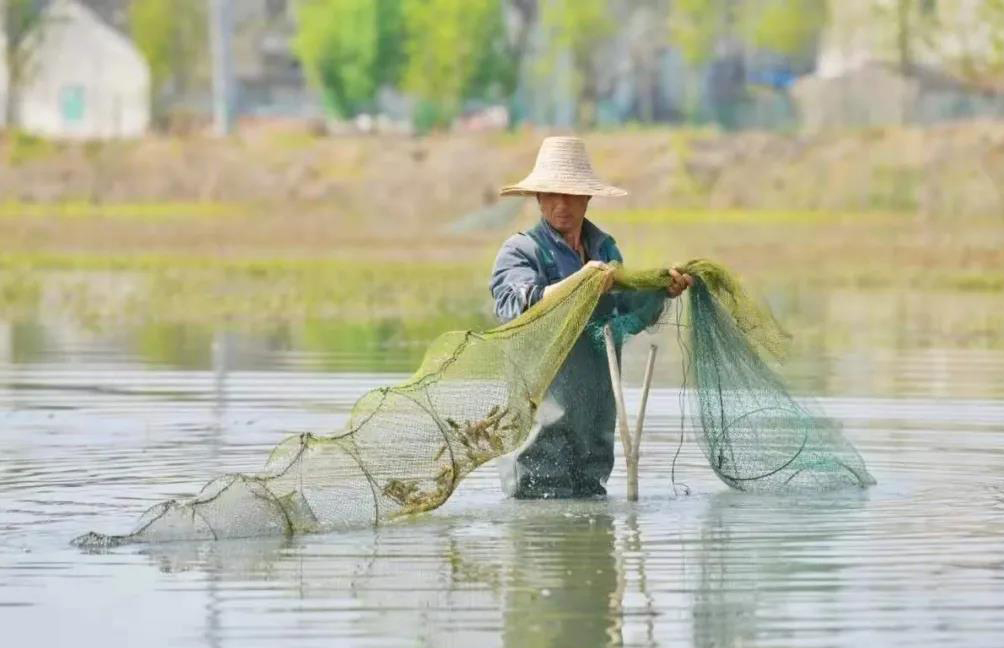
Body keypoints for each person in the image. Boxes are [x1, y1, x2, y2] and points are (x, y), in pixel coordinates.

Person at [490, 136, 692, 499]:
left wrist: (662, 290)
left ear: (588, 198)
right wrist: (581, 284)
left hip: (595, 414)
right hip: (543, 414)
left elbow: (627, 311)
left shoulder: (604, 249)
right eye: (551, 194)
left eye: (571, 194)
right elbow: (517, 303)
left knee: (591, 501)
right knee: (540, 508)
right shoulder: (522, 251)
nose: (561, 204)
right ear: (538, 198)